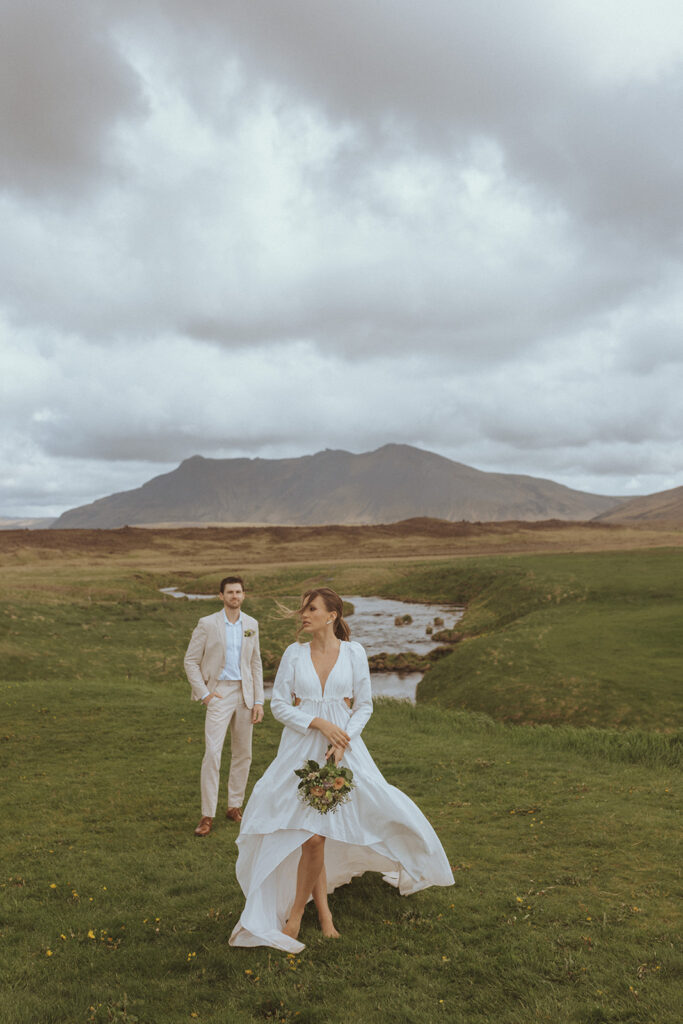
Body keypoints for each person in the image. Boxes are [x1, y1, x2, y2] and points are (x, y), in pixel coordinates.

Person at [229, 587, 453, 952]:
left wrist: (342, 737)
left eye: (311, 608)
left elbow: (364, 705)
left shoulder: (354, 652)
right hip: (301, 747)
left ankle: (320, 912)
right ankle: (305, 916)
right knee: (312, 835)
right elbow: (280, 706)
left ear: (332, 615)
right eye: (303, 608)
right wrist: (318, 723)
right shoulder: (293, 653)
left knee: (337, 823)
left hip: (344, 748)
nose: (304, 614)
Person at [184, 575, 264, 837]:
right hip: (219, 693)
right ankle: (207, 815)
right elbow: (190, 661)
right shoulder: (207, 624)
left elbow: (255, 664)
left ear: (244, 595)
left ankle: (234, 806)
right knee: (213, 753)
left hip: (244, 693)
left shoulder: (251, 624)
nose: (235, 596)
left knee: (243, 752)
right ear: (221, 596)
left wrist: (259, 700)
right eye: (230, 592)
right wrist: (205, 694)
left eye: (239, 592)